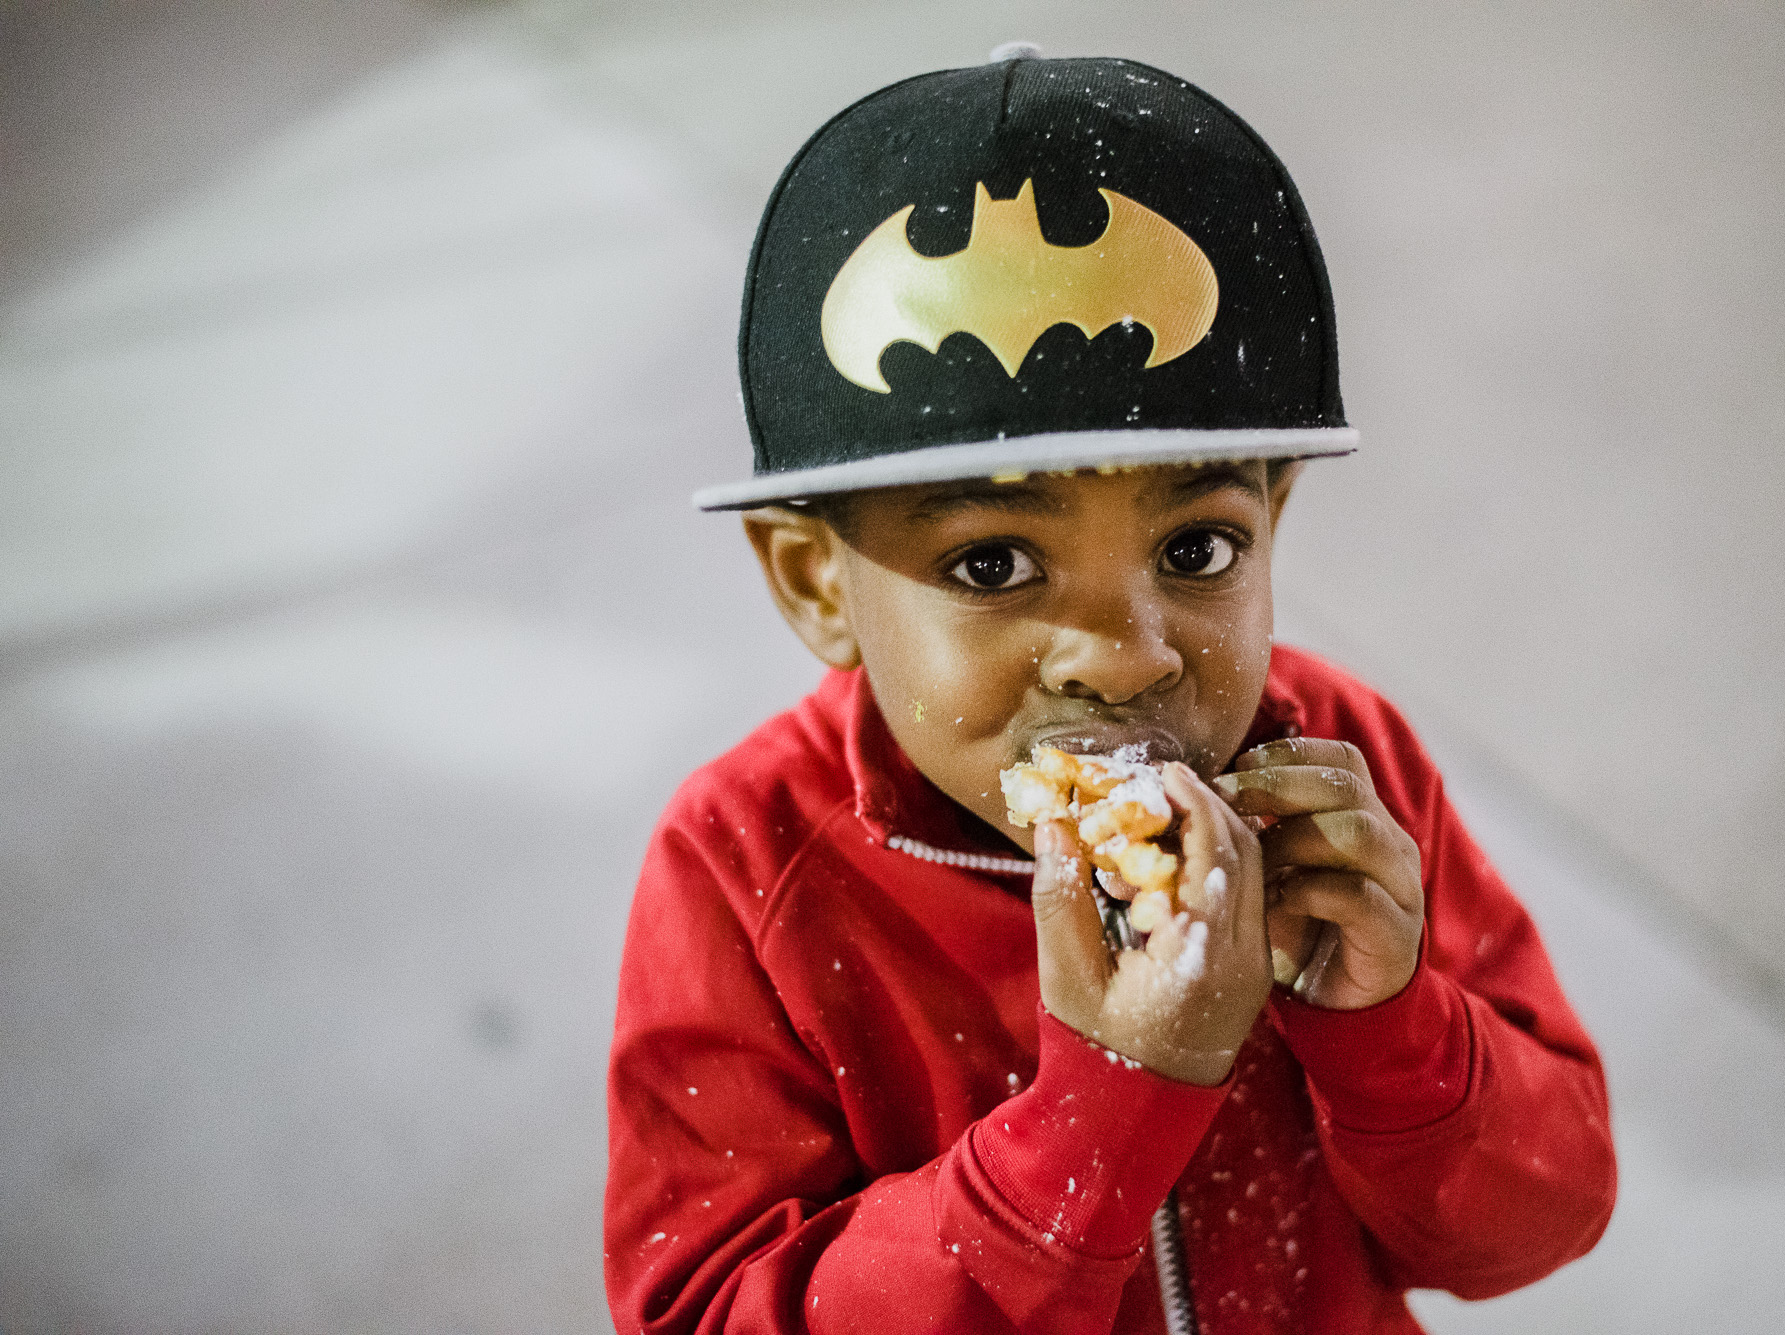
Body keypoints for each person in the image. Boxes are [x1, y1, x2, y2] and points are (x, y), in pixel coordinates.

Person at [604, 48, 1616, 1335]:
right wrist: (1097, 1120)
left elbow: (1545, 1218)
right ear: (815, 583)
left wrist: (1395, 1032)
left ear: (1274, 515)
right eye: (991, 562)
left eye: (1195, 550)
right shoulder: (743, 874)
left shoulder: (1335, 767)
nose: (1128, 657)